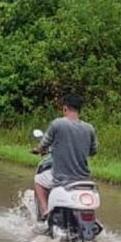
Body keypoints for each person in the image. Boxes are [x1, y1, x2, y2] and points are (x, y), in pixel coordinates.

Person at [32, 93, 98, 221]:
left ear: (65, 108)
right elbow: (93, 151)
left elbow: (44, 143)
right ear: (79, 110)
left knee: (38, 180)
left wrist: (38, 150)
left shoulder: (58, 124)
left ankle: (45, 211)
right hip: (84, 179)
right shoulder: (89, 128)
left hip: (62, 177)